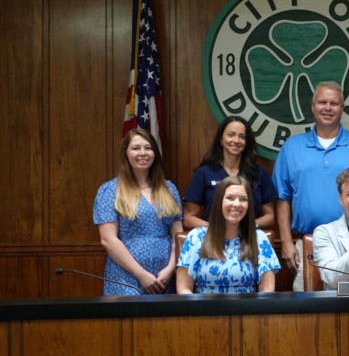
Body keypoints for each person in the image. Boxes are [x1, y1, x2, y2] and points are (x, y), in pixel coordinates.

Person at [273, 81, 349, 291]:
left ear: (342, 108)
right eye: (322, 102)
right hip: (307, 245)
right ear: (312, 106)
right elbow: (282, 198)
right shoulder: (292, 147)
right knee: (307, 313)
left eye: (334, 103)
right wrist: (285, 242)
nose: (328, 108)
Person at [93, 129, 183, 295]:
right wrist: (140, 274)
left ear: (155, 153)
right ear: (125, 153)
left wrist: (171, 269)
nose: (143, 153)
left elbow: (178, 237)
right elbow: (108, 239)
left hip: (164, 278)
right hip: (126, 277)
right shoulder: (110, 190)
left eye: (148, 148)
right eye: (136, 148)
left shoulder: (169, 189)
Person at [176, 175, 280, 293]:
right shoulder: (196, 237)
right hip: (204, 309)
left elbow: (267, 290)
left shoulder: (259, 238)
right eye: (230, 198)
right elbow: (184, 288)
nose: (237, 204)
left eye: (243, 199)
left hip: (248, 309)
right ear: (219, 201)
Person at [183, 116, 276, 230]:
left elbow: (270, 216)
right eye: (231, 135)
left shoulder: (259, 173)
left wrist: (248, 227)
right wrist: (217, 230)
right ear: (221, 139)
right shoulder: (204, 173)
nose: (236, 141)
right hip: (213, 241)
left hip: (249, 240)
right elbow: (188, 218)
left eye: (242, 137)